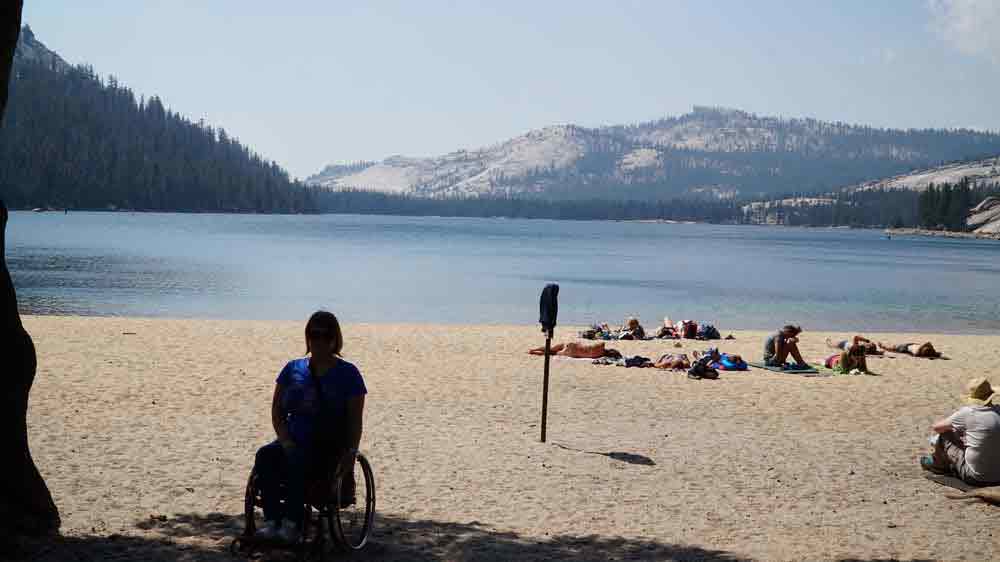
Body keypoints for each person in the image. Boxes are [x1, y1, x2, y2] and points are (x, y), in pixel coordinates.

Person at [253, 311, 367, 543]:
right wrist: (284, 439)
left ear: (334, 339)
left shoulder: (349, 374)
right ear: (307, 337)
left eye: (324, 335)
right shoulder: (292, 369)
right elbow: (277, 410)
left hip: (328, 445)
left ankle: (292, 524)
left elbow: (355, 420)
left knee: (299, 458)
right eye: (314, 334)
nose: (318, 340)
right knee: (265, 455)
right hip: (292, 438)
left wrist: (352, 451)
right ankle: (273, 521)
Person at [921, 378, 1000, 486]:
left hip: (977, 477)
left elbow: (937, 428)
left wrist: (956, 430)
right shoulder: (998, 411)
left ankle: (937, 466)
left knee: (946, 434)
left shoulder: (968, 413)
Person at [529, 341, 621, 359]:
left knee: (550, 348)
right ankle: (535, 353)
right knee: (551, 353)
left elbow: (600, 342)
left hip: (572, 345)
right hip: (571, 353)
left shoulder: (601, 346)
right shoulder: (598, 356)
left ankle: (533, 350)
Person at [876, 340, 941, 358]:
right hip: (910, 344)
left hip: (905, 348)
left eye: (925, 349)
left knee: (892, 348)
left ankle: (882, 346)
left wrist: (923, 346)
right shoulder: (922, 349)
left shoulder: (917, 352)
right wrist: (934, 351)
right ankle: (883, 346)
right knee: (892, 347)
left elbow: (927, 343)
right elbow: (929, 343)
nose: (925, 348)